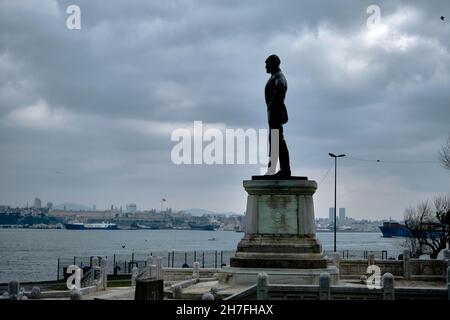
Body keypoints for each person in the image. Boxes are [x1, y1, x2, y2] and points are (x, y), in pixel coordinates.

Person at [264, 54, 291, 177]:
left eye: (267, 64)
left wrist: (273, 104)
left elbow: (281, 85)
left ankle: (284, 169)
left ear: (274, 64)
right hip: (273, 115)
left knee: (278, 140)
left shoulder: (279, 77)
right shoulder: (275, 76)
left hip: (275, 114)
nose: (265, 66)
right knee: (275, 140)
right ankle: (272, 169)